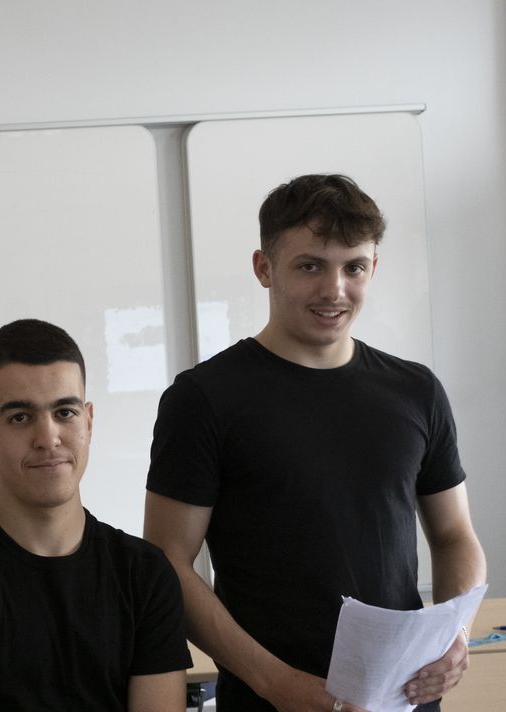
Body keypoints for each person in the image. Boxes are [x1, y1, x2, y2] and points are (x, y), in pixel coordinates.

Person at [143, 174, 487, 712]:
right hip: (268, 702)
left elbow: (454, 535)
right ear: (264, 268)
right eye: (310, 266)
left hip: (402, 700)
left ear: (373, 268)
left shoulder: (417, 391)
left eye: (354, 267)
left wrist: (455, 634)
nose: (334, 290)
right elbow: (168, 563)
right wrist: (276, 683)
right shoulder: (203, 399)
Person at [0, 319, 192, 711]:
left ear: (88, 421)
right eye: (20, 417)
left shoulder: (145, 574)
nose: (48, 438)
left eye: (65, 412)